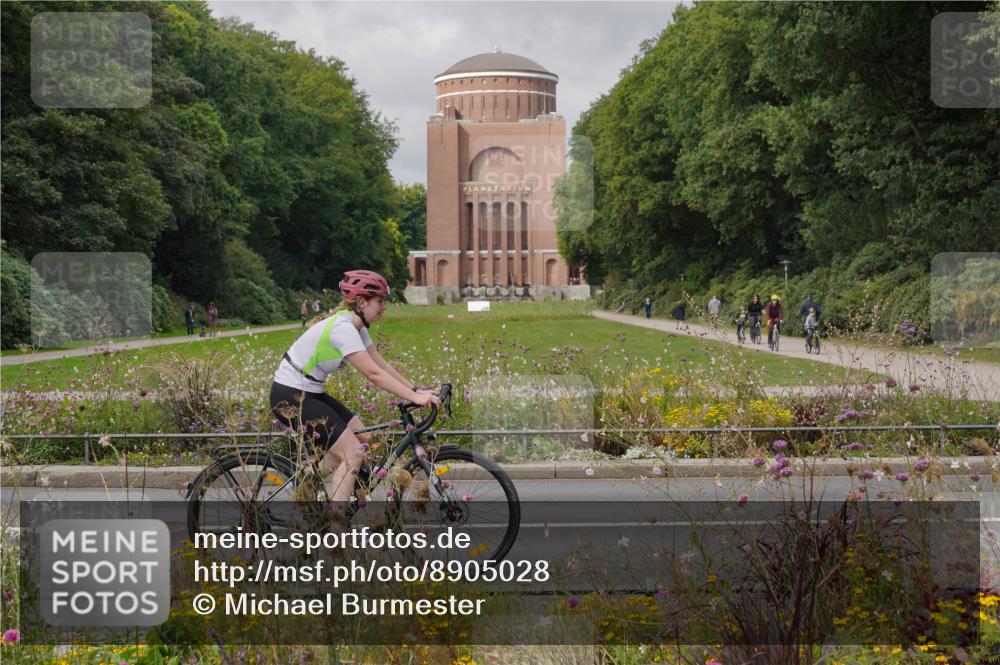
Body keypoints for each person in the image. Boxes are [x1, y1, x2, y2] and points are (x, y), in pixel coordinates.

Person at [270, 270, 441, 512]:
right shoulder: (343, 328)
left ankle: (306, 484)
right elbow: (373, 374)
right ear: (362, 302)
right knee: (353, 453)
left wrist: (415, 389)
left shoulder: (356, 327)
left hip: (309, 391)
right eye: (380, 301)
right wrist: (415, 398)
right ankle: (335, 526)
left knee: (363, 438)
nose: (384, 307)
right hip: (290, 395)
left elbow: (381, 364)